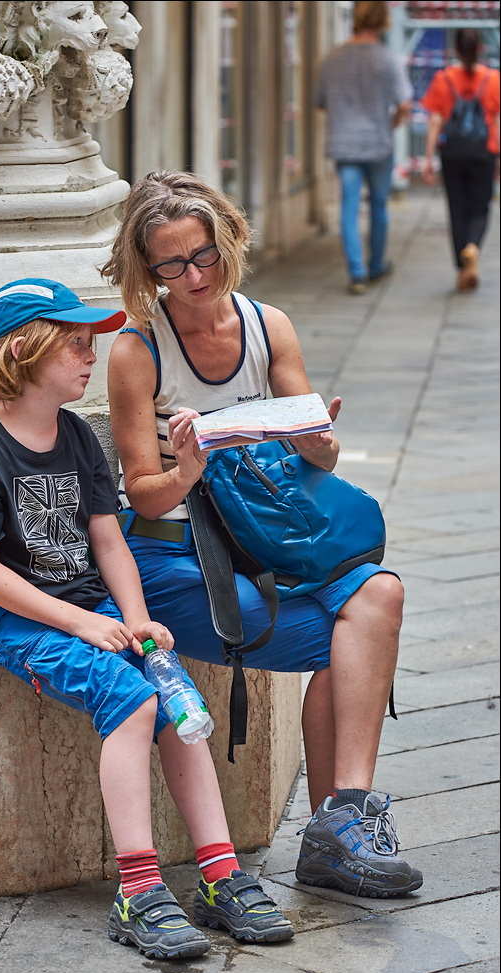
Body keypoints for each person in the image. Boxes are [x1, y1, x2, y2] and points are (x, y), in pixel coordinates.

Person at [0, 277, 295, 960]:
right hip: (18, 621)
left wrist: (135, 617)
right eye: (74, 344)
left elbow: (108, 538)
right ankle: (138, 890)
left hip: (92, 608)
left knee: (172, 698)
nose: (88, 356)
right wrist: (84, 627)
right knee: (130, 700)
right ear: (22, 350)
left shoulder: (73, 435)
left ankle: (219, 875)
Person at [102, 170, 423, 899]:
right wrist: (185, 469)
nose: (193, 277)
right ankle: (336, 838)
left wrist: (319, 444)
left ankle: (340, 822)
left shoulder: (266, 324)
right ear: (145, 269)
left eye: (203, 255)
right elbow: (142, 489)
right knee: (350, 645)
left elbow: (317, 448)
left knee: (378, 598)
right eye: (171, 264)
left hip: (271, 539)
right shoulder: (136, 351)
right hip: (176, 556)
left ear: (227, 242)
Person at [315, 0, 412, 293]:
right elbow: (405, 102)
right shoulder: (387, 58)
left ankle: (356, 273)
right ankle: (376, 266)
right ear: (383, 21)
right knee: (379, 205)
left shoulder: (332, 58)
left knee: (349, 206)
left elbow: (320, 101)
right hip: (379, 143)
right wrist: (391, 122)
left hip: (344, 144)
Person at [421, 28, 500, 292]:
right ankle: (472, 247)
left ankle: (461, 267)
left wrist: (429, 159)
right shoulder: (493, 79)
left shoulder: (443, 79)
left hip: (453, 152)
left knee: (457, 208)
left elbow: (434, 121)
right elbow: (498, 123)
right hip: (483, 152)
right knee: (480, 207)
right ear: (480, 49)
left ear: (455, 49)